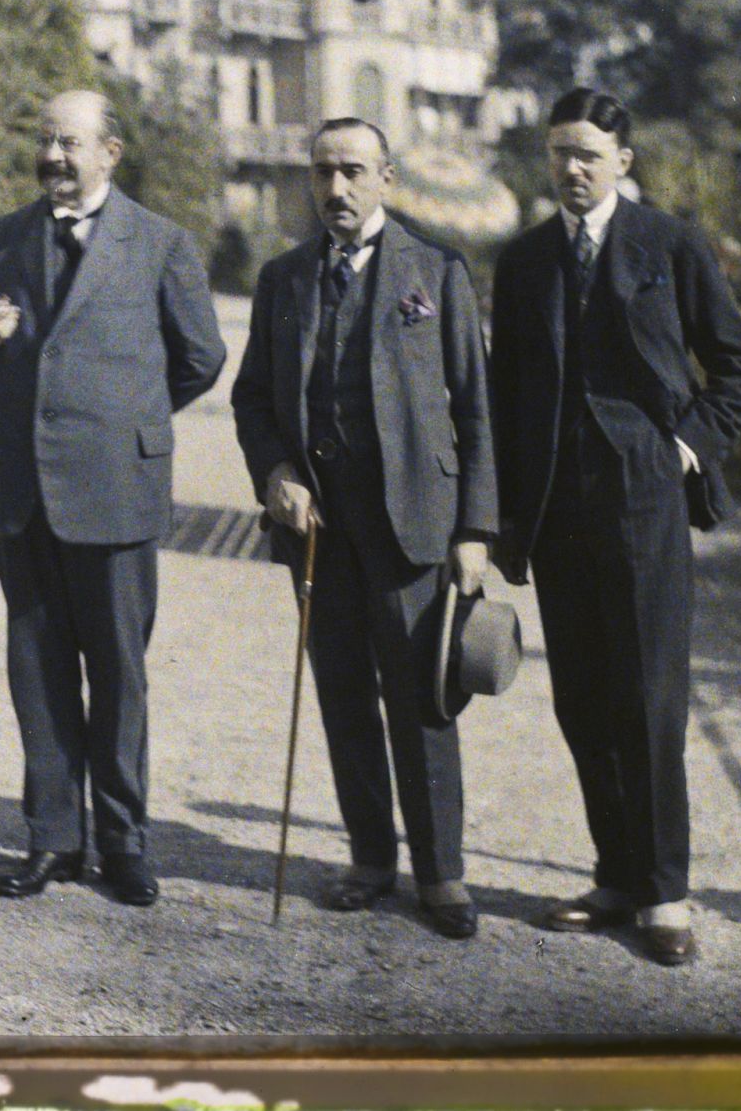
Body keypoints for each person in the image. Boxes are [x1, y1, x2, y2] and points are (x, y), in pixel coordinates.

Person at [488, 86, 741, 966]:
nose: (571, 168)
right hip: (556, 505)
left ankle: (665, 892)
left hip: (643, 499)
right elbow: (505, 393)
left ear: (623, 162)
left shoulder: (669, 245)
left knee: (650, 699)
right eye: (559, 152)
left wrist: (684, 446)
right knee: (583, 699)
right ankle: (614, 874)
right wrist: (498, 515)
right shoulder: (525, 259)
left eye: (587, 154)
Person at [0, 89, 225, 907]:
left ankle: (125, 842)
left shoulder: (160, 242)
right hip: (18, 482)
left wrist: (127, 418)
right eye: (45, 141)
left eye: (70, 143)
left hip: (115, 482)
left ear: (111, 153)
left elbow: (201, 356)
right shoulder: (4, 237)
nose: (54, 158)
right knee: (36, 664)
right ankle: (53, 838)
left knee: (119, 671)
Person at [230, 118, 498, 938]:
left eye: (352, 171)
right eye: (322, 173)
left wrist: (474, 530)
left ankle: (441, 873)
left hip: (411, 521)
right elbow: (252, 399)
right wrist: (275, 472)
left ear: (386, 176)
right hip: (318, 526)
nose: (336, 190)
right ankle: (371, 856)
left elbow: (475, 406)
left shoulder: (436, 273)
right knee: (343, 691)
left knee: (422, 699)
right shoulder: (283, 279)